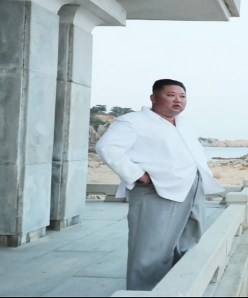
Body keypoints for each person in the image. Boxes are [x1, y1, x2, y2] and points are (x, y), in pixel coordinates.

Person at [95, 78, 224, 291]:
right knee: (151, 248)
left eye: (182, 96)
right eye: (171, 95)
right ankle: (145, 292)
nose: (178, 100)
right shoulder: (133, 121)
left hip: (191, 189)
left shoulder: (185, 124)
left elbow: (195, 155)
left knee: (188, 241)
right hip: (156, 190)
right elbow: (107, 147)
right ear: (154, 97)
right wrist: (138, 174)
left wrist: (203, 181)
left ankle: (178, 288)